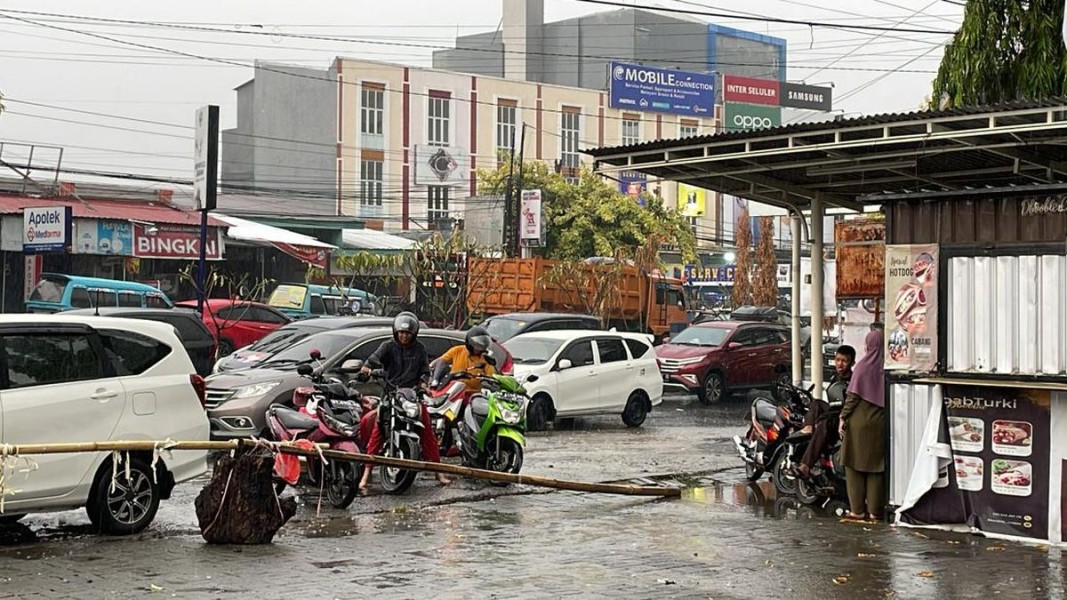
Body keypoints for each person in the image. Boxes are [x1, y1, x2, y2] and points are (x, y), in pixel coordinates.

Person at [358, 312, 450, 491]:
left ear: (414, 334)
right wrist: (367, 368)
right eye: (401, 332)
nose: (404, 336)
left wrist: (424, 384)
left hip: (412, 396)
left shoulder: (420, 349)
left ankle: (439, 473)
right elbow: (373, 359)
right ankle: (366, 475)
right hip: (390, 394)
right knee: (377, 433)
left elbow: (425, 370)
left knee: (428, 432)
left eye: (407, 333)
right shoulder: (387, 347)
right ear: (395, 332)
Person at [838, 329, 887, 520]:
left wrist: (842, 417)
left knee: (854, 467)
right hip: (880, 422)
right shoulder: (887, 367)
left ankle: (857, 511)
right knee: (876, 468)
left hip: (859, 424)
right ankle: (875, 512)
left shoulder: (862, 367)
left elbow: (852, 397)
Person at [793, 345, 855, 480]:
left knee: (824, 423)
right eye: (838, 360)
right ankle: (808, 427)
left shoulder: (854, 380)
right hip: (832, 411)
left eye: (844, 361)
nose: (840, 364)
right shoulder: (835, 378)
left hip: (841, 416)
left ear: (851, 363)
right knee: (816, 403)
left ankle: (805, 466)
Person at [430, 326, 497, 395]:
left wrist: (486, 383)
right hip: (454, 390)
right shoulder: (457, 350)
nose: (480, 349)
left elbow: (490, 377)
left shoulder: (485, 359)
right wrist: (434, 375)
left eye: (482, 347)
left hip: (472, 394)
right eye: (477, 346)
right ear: (470, 344)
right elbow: (441, 360)